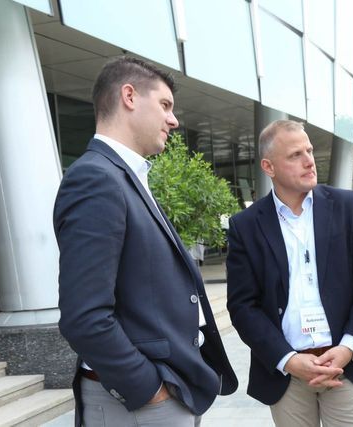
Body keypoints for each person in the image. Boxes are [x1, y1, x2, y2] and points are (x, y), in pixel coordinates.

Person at [53, 56, 237, 427]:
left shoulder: (125, 177)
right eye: (165, 105)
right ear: (129, 96)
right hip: (138, 404)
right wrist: (149, 390)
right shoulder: (95, 179)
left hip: (169, 391)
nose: (174, 120)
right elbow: (84, 317)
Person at [226, 120, 353, 426]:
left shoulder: (347, 206)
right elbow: (242, 306)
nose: (309, 160)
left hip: (344, 366)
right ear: (268, 167)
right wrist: (287, 360)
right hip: (288, 375)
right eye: (295, 155)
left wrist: (349, 347)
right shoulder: (245, 226)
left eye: (309, 150)